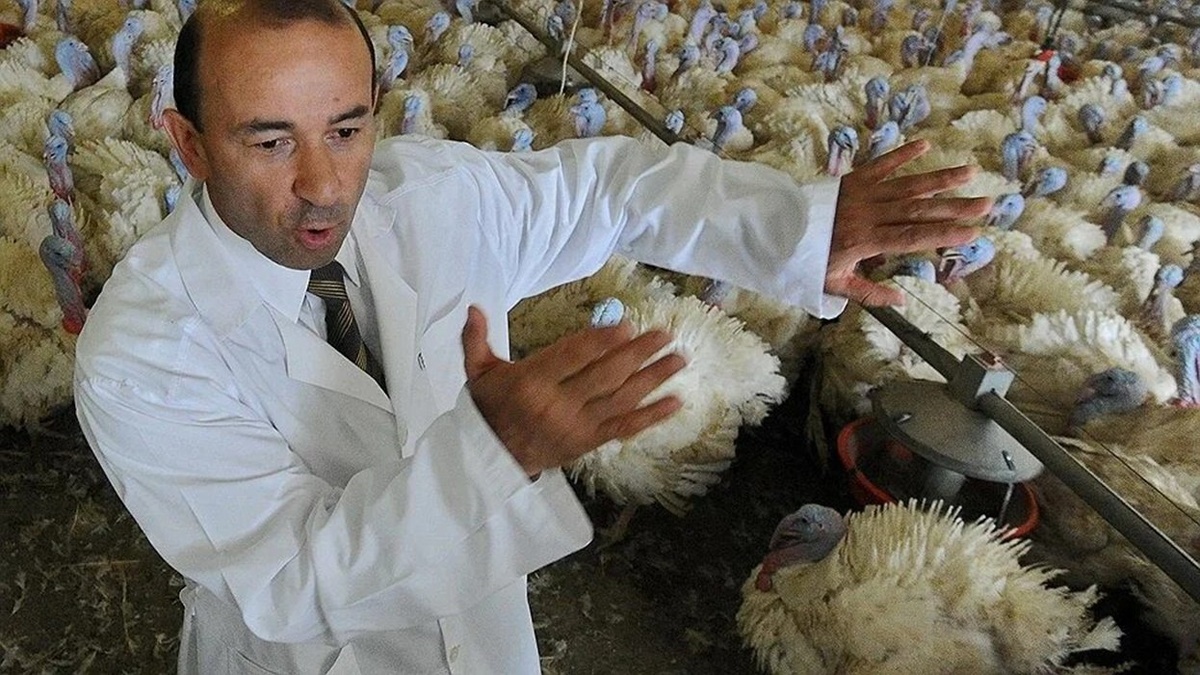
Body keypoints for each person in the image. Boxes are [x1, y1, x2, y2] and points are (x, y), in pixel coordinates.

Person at [73, 1, 991, 673]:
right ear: (189, 144)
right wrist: (491, 450)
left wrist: (795, 227)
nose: (323, 182)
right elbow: (292, 579)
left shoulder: (433, 201)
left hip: (485, 640)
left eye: (346, 129)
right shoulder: (143, 354)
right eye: (270, 142)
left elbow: (610, 191)